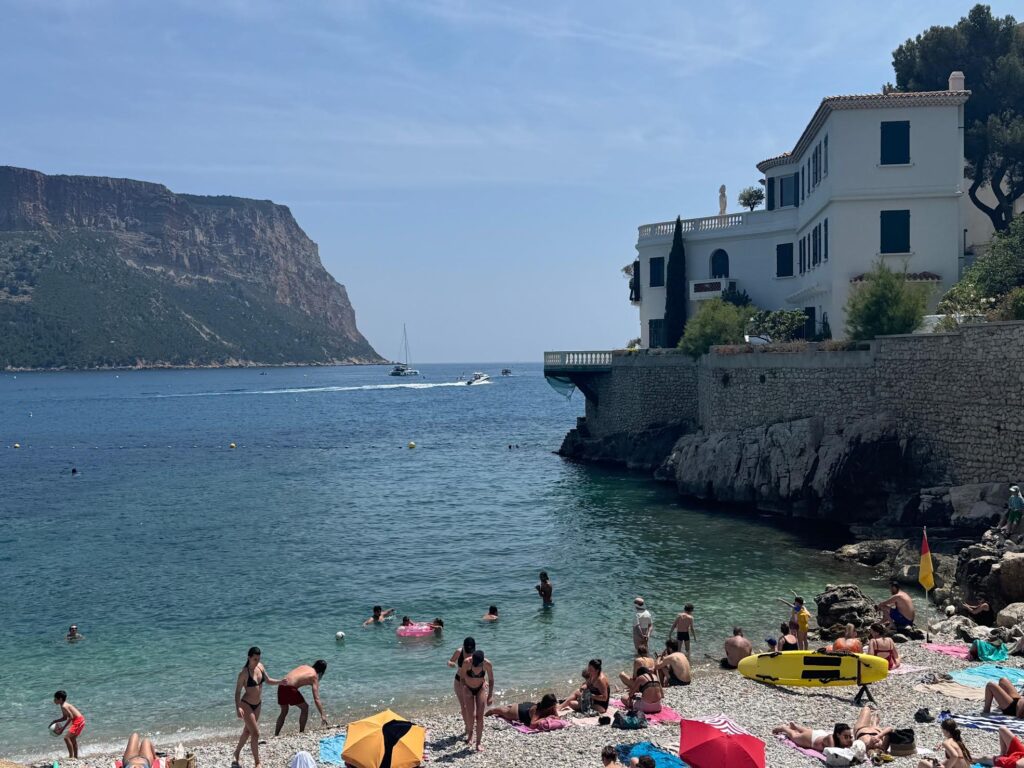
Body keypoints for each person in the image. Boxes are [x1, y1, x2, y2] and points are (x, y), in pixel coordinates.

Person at [233, 646, 280, 768]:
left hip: (258, 704)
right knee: (256, 733)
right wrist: (238, 707)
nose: (257, 661)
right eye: (255, 659)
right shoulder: (244, 673)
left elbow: (268, 680)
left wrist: (281, 681)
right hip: (246, 705)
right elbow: (237, 692)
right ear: (249, 658)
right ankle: (257, 762)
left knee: (248, 731)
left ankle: (237, 752)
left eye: (258, 659)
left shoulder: (260, 667)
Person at [274, 660, 329, 736]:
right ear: (322, 671)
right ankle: (301, 732)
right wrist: (322, 715)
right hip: (290, 688)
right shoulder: (314, 676)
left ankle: (276, 734)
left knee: (284, 711)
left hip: (281, 685)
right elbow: (316, 699)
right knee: (305, 708)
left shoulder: (305, 666)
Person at [460, 649, 494, 751]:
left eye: (477, 665)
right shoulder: (467, 662)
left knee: (480, 717)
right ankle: (470, 734)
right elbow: (462, 677)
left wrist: (490, 695)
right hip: (468, 689)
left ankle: (478, 743)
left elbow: (491, 680)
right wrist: (464, 688)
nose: (475, 667)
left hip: (480, 689)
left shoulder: (487, 664)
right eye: (474, 665)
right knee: (471, 715)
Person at [448, 637, 476, 739]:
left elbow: (481, 668)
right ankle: (468, 727)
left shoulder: (476, 654)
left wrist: (484, 681)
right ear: (463, 646)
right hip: (459, 680)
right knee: (464, 706)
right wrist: (451, 664)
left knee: (471, 706)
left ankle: (471, 726)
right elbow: (450, 661)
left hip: (472, 681)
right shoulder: (459, 651)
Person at [486, 693, 558, 727]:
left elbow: (557, 717)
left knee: (502, 709)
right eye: (553, 705)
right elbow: (532, 724)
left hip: (528, 707)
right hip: (516, 711)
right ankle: (483, 716)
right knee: (494, 711)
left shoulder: (552, 707)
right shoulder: (538, 710)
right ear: (548, 706)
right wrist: (546, 718)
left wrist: (554, 714)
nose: (554, 706)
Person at [772, 722, 852, 752]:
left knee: (807, 731)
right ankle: (784, 728)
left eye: (849, 736)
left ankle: (796, 727)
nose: (848, 739)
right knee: (794, 736)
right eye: (845, 737)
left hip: (819, 734)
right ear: (838, 735)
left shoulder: (840, 739)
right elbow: (833, 752)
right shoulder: (831, 738)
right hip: (811, 740)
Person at [50, 690, 85, 758]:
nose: (54, 700)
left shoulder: (64, 706)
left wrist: (62, 729)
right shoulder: (62, 705)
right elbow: (65, 717)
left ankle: (71, 756)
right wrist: (55, 721)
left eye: (55, 699)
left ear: (60, 699)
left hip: (78, 721)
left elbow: (71, 717)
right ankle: (75, 757)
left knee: (66, 738)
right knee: (72, 739)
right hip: (79, 720)